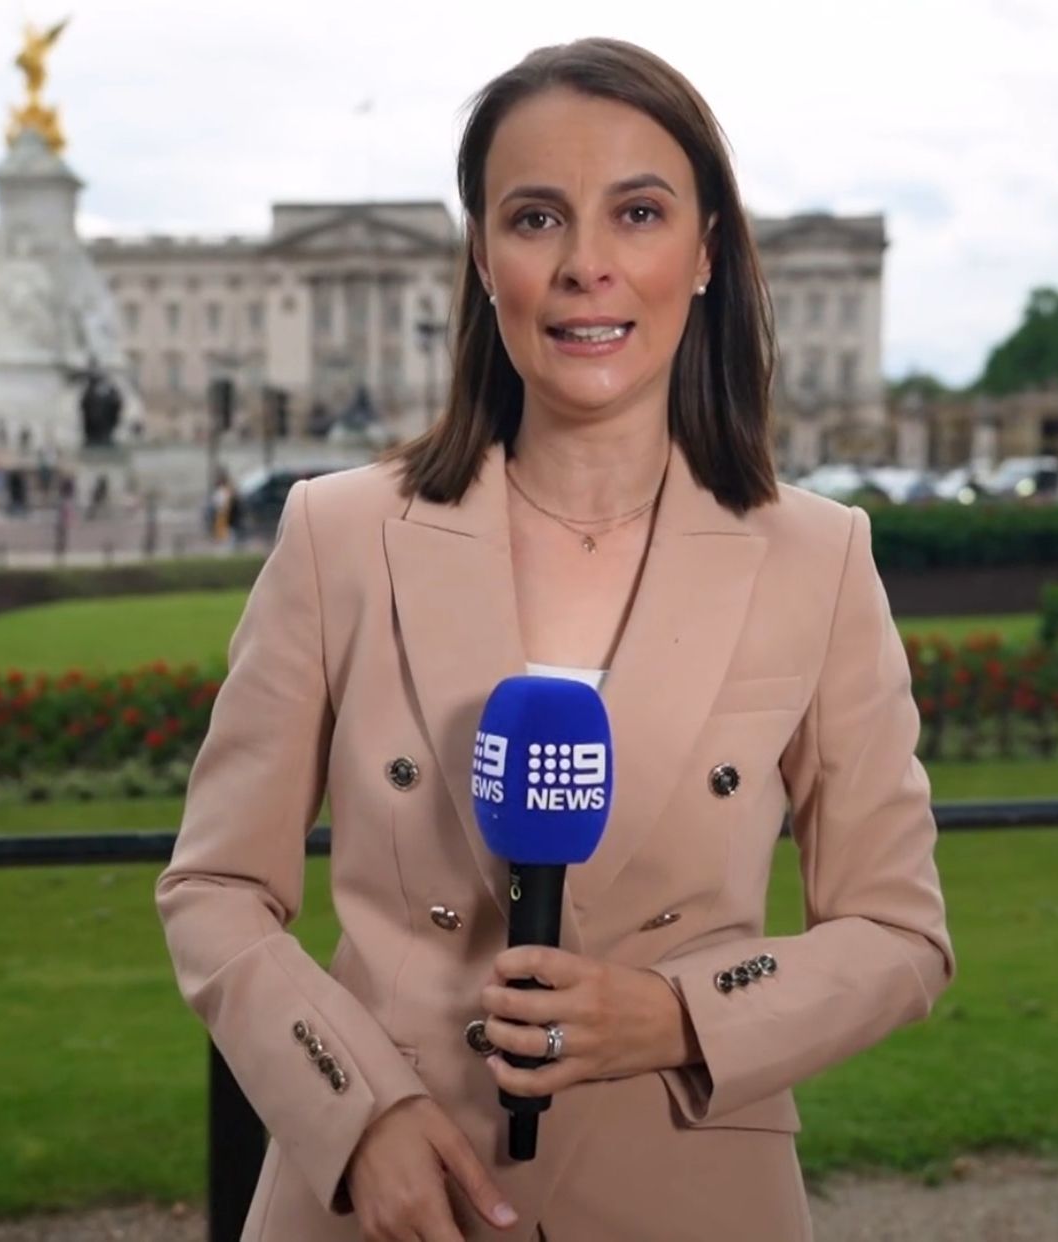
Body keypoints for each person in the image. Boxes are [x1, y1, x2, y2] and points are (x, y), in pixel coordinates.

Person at [156, 38, 954, 1241]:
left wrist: (680, 1015)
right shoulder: (340, 534)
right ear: (484, 261)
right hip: (385, 1197)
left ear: (705, 252)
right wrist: (353, 1112)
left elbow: (900, 935)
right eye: (537, 219)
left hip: (687, 1193)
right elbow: (215, 888)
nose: (587, 266)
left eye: (638, 213)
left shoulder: (819, 557)